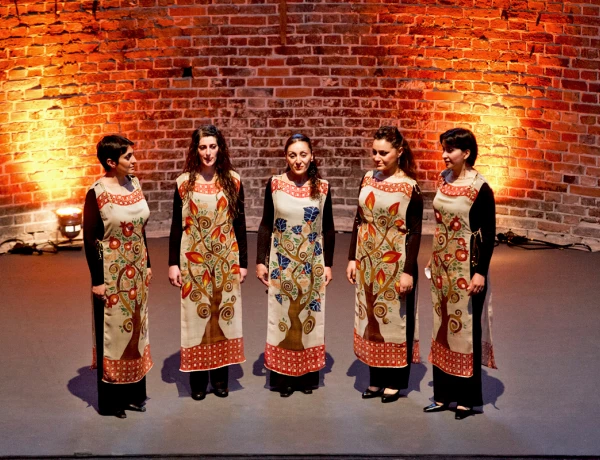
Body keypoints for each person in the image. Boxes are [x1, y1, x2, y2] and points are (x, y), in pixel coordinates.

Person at [168, 125, 248, 401]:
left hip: (226, 258)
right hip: (194, 260)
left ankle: (221, 379)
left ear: (220, 148)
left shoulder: (233, 181)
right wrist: (172, 264)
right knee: (197, 315)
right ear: (195, 150)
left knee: (223, 314)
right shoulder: (183, 183)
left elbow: (240, 223)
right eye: (203, 147)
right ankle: (198, 381)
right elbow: (175, 227)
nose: (208, 153)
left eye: (212, 147)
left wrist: (243, 263)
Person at [423, 127, 497, 420]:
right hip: (442, 266)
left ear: (466, 153)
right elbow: (440, 225)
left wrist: (480, 273)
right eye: (443, 149)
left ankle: (466, 398)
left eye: (450, 150)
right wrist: (433, 256)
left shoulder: (480, 188)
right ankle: (443, 395)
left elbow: (488, 233)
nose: (444, 155)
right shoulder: (444, 180)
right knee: (442, 329)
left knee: (465, 331)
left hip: (467, 268)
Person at [346, 126, 423, 403]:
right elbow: (358, 220)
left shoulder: (409, 187)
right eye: (374, 152)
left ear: (399, 152)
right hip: (368, 262)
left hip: (394, 263)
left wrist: (408, 271)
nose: (377, 158)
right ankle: (376, 379)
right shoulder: (367, 178)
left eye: (384, 153)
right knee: (370, 318)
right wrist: (352, 257)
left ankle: (395, 381)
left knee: (394, 321)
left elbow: (415, 232)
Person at [256, 133, 335, 397]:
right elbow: (266, 223)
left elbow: (329, 228)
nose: (298, 160)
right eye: (292, 155)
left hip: (311, 263)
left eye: (303, 154)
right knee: (282, 317)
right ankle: (282, 379)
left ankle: (306, 378)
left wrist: (329, 265)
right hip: (282, 263)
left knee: (310, 317)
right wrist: (260, 260)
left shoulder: (322, 187)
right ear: (286, 157)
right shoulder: (275, 184)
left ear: (312, 156)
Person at [83, 135, 153, 419]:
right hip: (111, 274)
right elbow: (89, 239)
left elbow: (141, 227)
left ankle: (135, 394)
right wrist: (97, 280)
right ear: (111, 163)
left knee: (137, 331)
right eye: (128, 157)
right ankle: (112, 401)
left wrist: (149, 262)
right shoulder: (96, 193)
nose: (134, 161)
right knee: (112, 334)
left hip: (137, 271)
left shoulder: (135, 184)